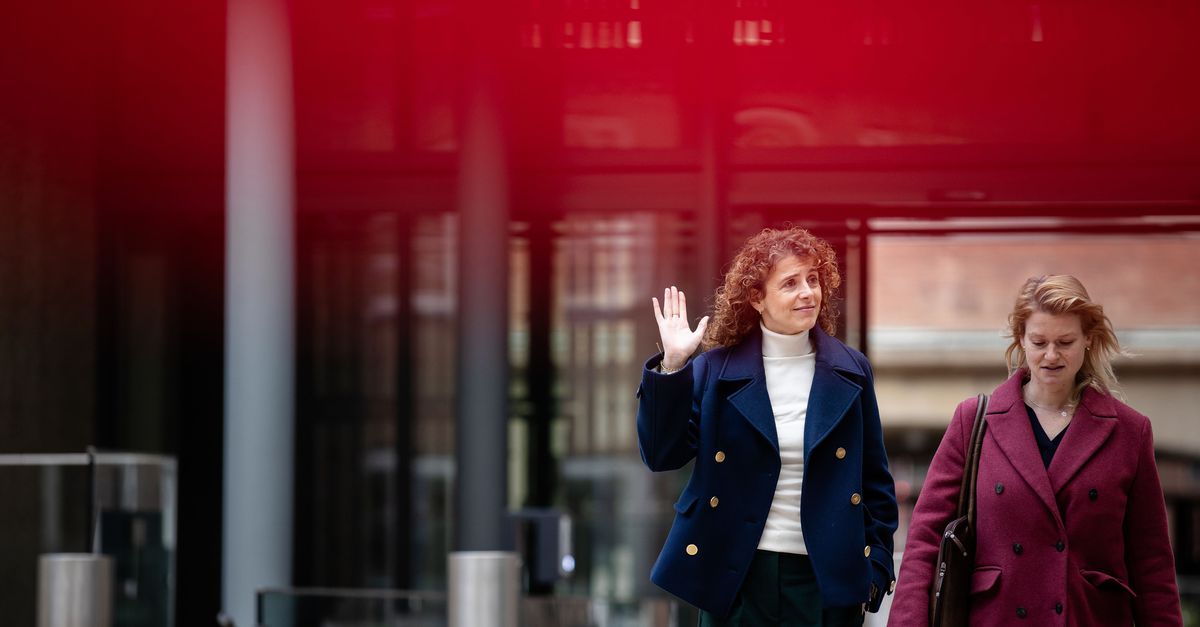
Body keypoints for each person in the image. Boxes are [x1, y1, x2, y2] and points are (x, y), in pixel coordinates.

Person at [636, 227, 898, 625]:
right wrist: (673, 366)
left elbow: (875, 482)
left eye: (813, 279)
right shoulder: (715, 371)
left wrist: (876, 570)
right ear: (757, 297)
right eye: (790, 283)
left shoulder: (851, 370)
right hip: (736, 576)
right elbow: (660, 455)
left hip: (825, 579)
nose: (807, 292)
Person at [888, 275, 1182, 626]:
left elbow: (1152, 565)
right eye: (1039, 342)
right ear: (1021, 341)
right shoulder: (974, 422)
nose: (1051, 355)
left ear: (1089, 339)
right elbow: (925, 542)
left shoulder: (1129, 432)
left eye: (1065, 341)